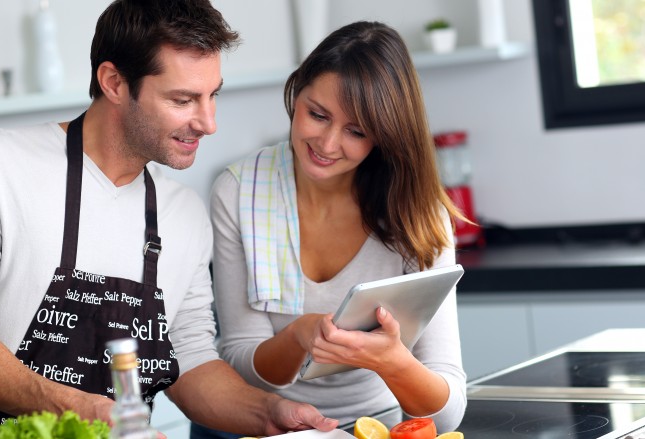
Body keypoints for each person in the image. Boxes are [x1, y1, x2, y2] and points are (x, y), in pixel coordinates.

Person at [0, 1, 339, 438]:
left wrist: (268, 413)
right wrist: (78, 409)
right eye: (183, 99)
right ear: (113, 82)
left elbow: (190, 359)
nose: (208, 123)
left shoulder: (182, 213)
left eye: (212, 95)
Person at [200, 20, 468, 438]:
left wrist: (393, 361)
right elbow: (240, 366)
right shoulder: (238, 192)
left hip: (373, 428)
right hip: (262, 427)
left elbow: (447, 414)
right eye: (317, 115)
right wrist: (298, 337)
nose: (327, 144)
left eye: (356, 131)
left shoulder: (418, 214)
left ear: (384, 136)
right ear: (296, 92)